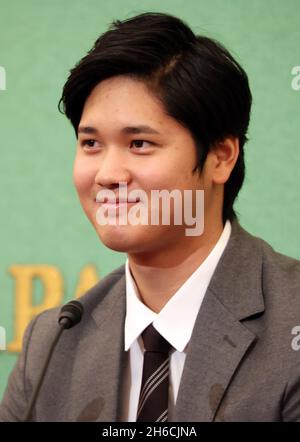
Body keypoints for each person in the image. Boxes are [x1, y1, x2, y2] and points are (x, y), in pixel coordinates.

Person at [1, 11, 300, 422]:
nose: (107, 175)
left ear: (220, 156)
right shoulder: (52, 342)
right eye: (90, 143)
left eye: (139, 143)